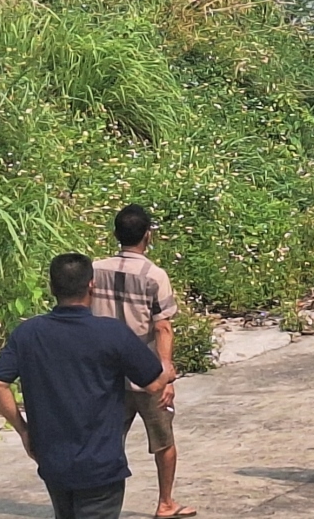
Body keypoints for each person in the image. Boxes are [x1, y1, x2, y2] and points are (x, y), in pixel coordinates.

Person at [0, 254, 170, 519]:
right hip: (101, 464)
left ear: (52, 288)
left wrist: (24, 430)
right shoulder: (111, 332)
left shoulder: (28, 333)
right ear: (91, 286)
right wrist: (167, 370)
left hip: (52, 461)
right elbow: (153, 384)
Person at [91, 205, 195, 519]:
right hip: (146, 374)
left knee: (107, 442)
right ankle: (165, 503)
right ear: (147, 235)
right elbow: (162, 326)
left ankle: (99, 506)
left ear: (115, 234)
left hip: (107, 376)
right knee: (163, 441)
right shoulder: (154, 275)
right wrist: (166, 371)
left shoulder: (95, 270)